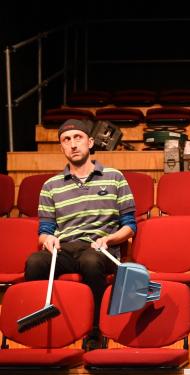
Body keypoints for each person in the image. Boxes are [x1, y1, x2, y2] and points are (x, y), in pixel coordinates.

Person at [24, 119, 137, 349]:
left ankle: (95, 332)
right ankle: (44, 330)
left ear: (90, 142)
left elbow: (130, 225)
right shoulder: (50, 186)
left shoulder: (114, 177)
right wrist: (48, 239)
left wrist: (110, 239)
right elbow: (44, 231)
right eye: (67, 140)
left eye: (78, 138)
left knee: (90, 261)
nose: (73, 144)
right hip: (65, 248)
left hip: (100, 248)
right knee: (34, 262)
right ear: (62, 147)